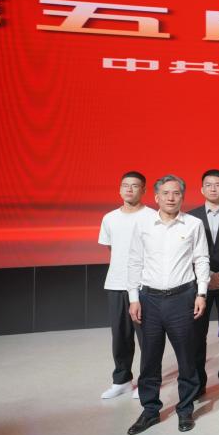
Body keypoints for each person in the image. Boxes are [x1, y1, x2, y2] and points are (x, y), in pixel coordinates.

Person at [125, 175, 210, 435]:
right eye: (165, 193)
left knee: (187, 358)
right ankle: (150, 410)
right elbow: (134, 261)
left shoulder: (193, 224)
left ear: (182, 196)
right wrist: (133, 298)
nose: (171, 198)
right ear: (156, 197)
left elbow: (201, 259)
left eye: (176, 193)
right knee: (149, 359)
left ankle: (185, 410)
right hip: (149, 299)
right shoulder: (143, 225)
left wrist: (202, 294)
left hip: (182, 298)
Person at [98, 171, 155, 400]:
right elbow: (112, 249)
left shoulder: (152, 216)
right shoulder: (109, 218)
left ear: (144, 190)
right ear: (120, 189)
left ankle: (147, 381)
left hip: (144, 285)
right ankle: (121, 380)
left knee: (146, 337)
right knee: (120, 336)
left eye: (135, 186)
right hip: (116, 284)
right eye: (125, 185)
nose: (129, 189)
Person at [187, 169, 219, 399]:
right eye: (208, 185)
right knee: (197, 334)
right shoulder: (190, 217)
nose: (213, 188)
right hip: (200, 283)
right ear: (201, 189)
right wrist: (207, 276)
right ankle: (198, 383)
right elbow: (187, 252)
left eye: (218, 185)